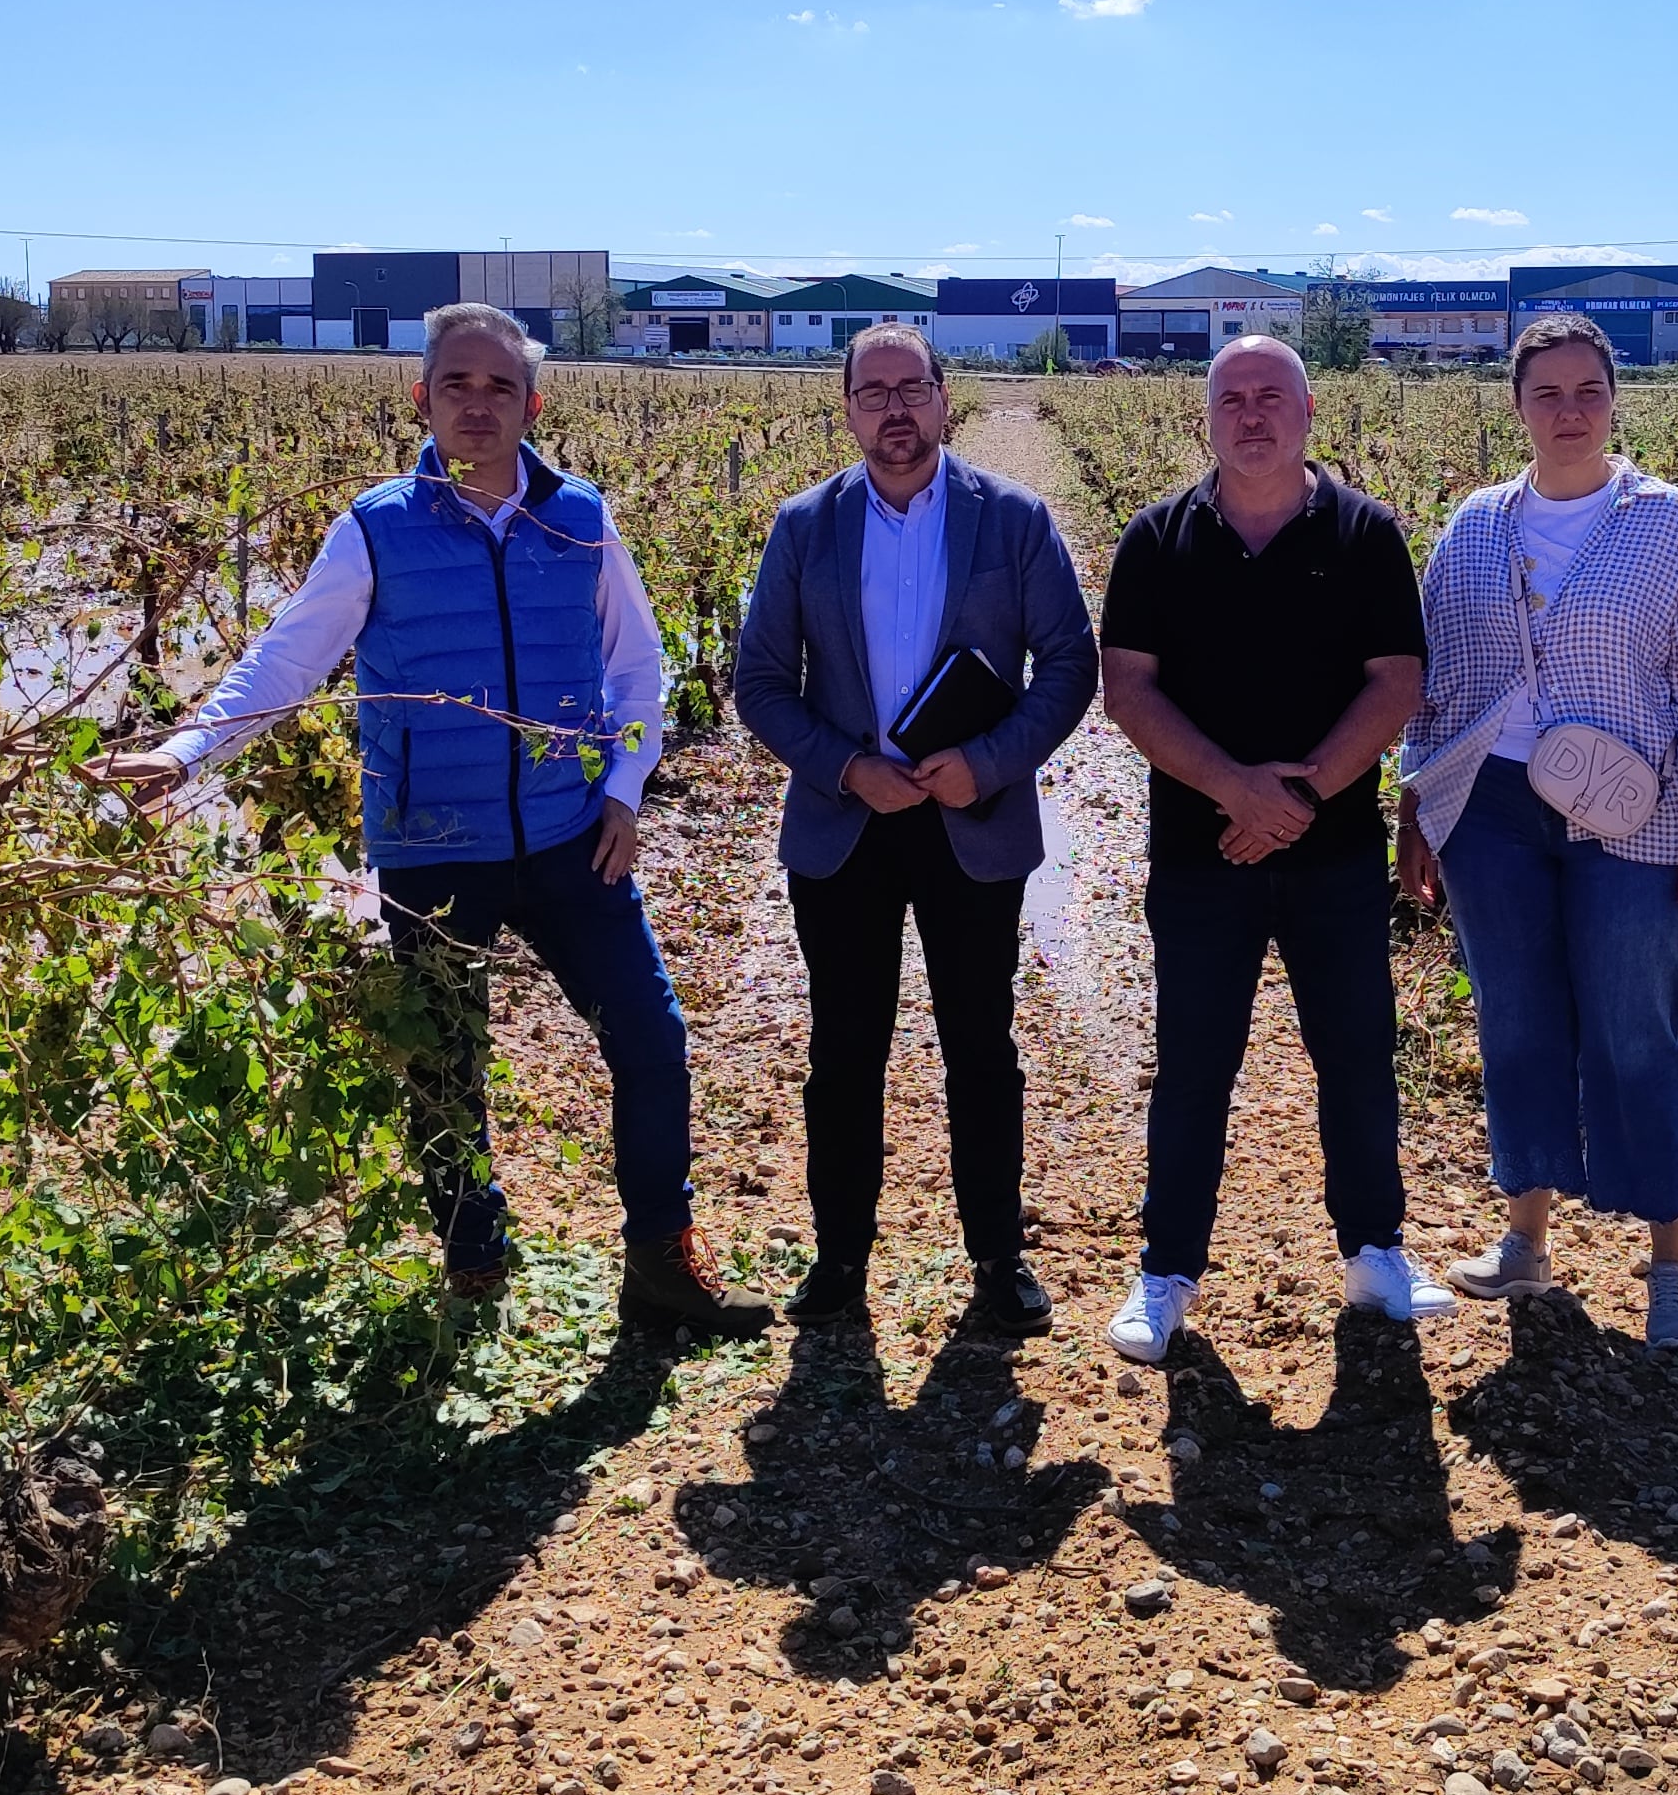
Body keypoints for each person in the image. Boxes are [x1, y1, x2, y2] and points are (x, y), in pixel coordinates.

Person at [106, 301, 768, 1341]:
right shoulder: (375, 526)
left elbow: (636, 665)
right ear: (421, 397)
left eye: (499, 385)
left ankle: (660, 1262)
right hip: (434, 847)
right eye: (457, 383)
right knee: (446, 1072)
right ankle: (472, 1257)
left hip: (567, 837)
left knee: (650, 1036)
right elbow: (287, 658)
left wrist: (625, 794)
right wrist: (187, 750)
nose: (477, 402)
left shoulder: (581, 519)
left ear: (532, 404)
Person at [732, 322, 1098, 1336]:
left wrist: (981, 763)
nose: (893, 409)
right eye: (872, 393)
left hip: (968, 821)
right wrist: (847, 767)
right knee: (845, 1047)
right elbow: (759, 683)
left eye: (911, 389)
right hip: (846, 825)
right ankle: (839, 1263)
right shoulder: (803, 526)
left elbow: (1070, 664)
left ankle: (996, 1261)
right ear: (846, 408)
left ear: (944, 398)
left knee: (980, 1043)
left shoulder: (1014, 521)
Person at [1096, 336, 1443, 1363]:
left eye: (1270, 397)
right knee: (1196, 1063)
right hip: (1203, 857)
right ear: (1207, 416)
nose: (1251, 415)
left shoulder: (1366, 533)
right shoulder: (1157, 541)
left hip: (1332, 852)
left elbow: (1396, 681)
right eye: (1232, 398)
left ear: (1306, 412)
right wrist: (1233, 791)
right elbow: (1127, 687)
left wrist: (1293, 796)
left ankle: (1376, 1249)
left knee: (1354, 1055)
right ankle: (1166, 1270)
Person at [1395, 314, 1678, 1350]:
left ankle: (1668, 1261)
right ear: (1517, 407)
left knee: (1637, 1028)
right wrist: (1417, 806)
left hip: (1634, 814)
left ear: (1613, 397)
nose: (1569, 410)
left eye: (1587, 389)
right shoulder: (1475, 525)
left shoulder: (1665, 521)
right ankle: (1525, 1239)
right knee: (1517, 1021)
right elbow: (1433, 681)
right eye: (1546, 393)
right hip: (1493, 810)